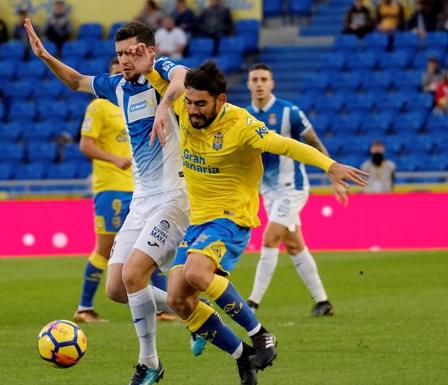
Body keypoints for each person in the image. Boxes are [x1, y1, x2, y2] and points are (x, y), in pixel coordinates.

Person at [130, 49, 368, 383]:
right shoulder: (184, 107)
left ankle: (260, 334)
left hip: (231, 218)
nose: (193, 111)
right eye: (190, 103)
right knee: (177, 299)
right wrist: (145, 68)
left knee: (198, 274)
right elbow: (160, 78)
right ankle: (242, 357)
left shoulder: (242, 125)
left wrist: (330, 166)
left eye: (201, 104)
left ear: (220, 100)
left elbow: (287, 145)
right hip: (198, 220)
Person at [26, 20, 189, 385]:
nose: (124, 60)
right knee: (117, 289)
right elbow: (76, 81)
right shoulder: (116, 87)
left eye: (130, 52)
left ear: (147, 50)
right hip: (142, 198)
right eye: (119, 54)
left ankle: (150, 363)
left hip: (174, 194)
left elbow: (183, 80)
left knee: (134, 276)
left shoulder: (161, 73)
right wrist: (45, 56)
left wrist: (164, 106)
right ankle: (193, 311)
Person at [74, 57, 176, 323]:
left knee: (148, 247)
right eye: (115, 72)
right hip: (111, 186)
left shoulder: (140, 100)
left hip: (141, 188)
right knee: (105, 248)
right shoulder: (99, 107)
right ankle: (84, 307)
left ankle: (166, 306)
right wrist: (114, 159)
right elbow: (85, 145)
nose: (122, 74)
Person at [244, 63, 335, 316]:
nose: (260, 83)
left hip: (292, 188)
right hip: (268, 191)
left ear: (272, 83)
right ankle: (323, 302)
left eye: (264, 79)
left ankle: (252, 303)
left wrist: (333, 173)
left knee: (270, 237)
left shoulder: (289, 112)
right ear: (248, 84)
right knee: (294, 245)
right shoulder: (243, 116)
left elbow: (313, 141)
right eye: (255, 79)